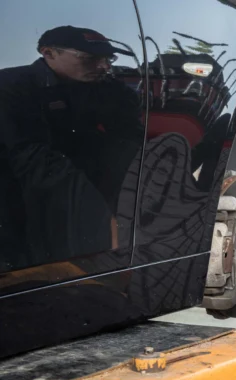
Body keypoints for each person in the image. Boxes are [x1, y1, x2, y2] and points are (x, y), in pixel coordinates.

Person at [0, 26, 142, 272]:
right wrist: (96, 210)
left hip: (75, 180)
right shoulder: (11, 86)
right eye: (90, 59)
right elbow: (27, 156)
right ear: (49, 53)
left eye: (108, 59)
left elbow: (129, 140)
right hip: (21, 193)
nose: (104, 66)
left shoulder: (106, 89)